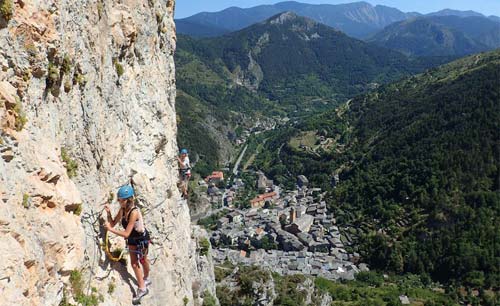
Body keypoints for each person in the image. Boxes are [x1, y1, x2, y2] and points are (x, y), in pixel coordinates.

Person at [104, 185, 151, 303]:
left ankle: (146, 278)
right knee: (134, 263)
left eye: (121, 200)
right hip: (132, 238)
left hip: (141, 238)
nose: (119, 202)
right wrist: (109, 213)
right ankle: (142, 287)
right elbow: (114, 222)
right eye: (119, 200)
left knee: (143, 260)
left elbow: (126, 233)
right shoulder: (123, 210)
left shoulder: (134, 212)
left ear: (128, 200)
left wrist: (110, 229)